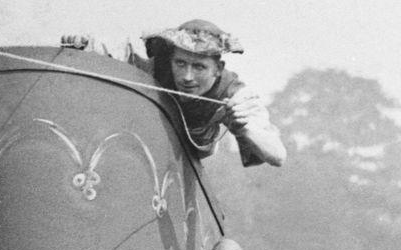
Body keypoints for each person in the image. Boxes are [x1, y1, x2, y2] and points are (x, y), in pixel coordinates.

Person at [64, 20, 285, 167]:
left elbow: (277, 156)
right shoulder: (153, 65)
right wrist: (80, 48)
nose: (187, 77)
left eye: (199, 67)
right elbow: (105, 51)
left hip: (189, 156)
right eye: (180, 63)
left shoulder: (235, 94)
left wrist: (243, 128)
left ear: (218, 68)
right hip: (141, 145)